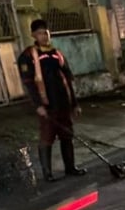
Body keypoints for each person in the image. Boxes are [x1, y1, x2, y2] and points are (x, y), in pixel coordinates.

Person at [17, 18, 86, 183]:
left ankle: (70, 168)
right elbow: (29, 84)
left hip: (63, 103)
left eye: (46, 33)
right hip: (47, 106)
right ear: (33, 34)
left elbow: (68, 79)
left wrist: (75, 103)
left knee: (67, 136)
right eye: (40, 33)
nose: (44, 36)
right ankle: (47, 173)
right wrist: (38, 105)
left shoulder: (57, 54)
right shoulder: (28, 56)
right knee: (47, 138)